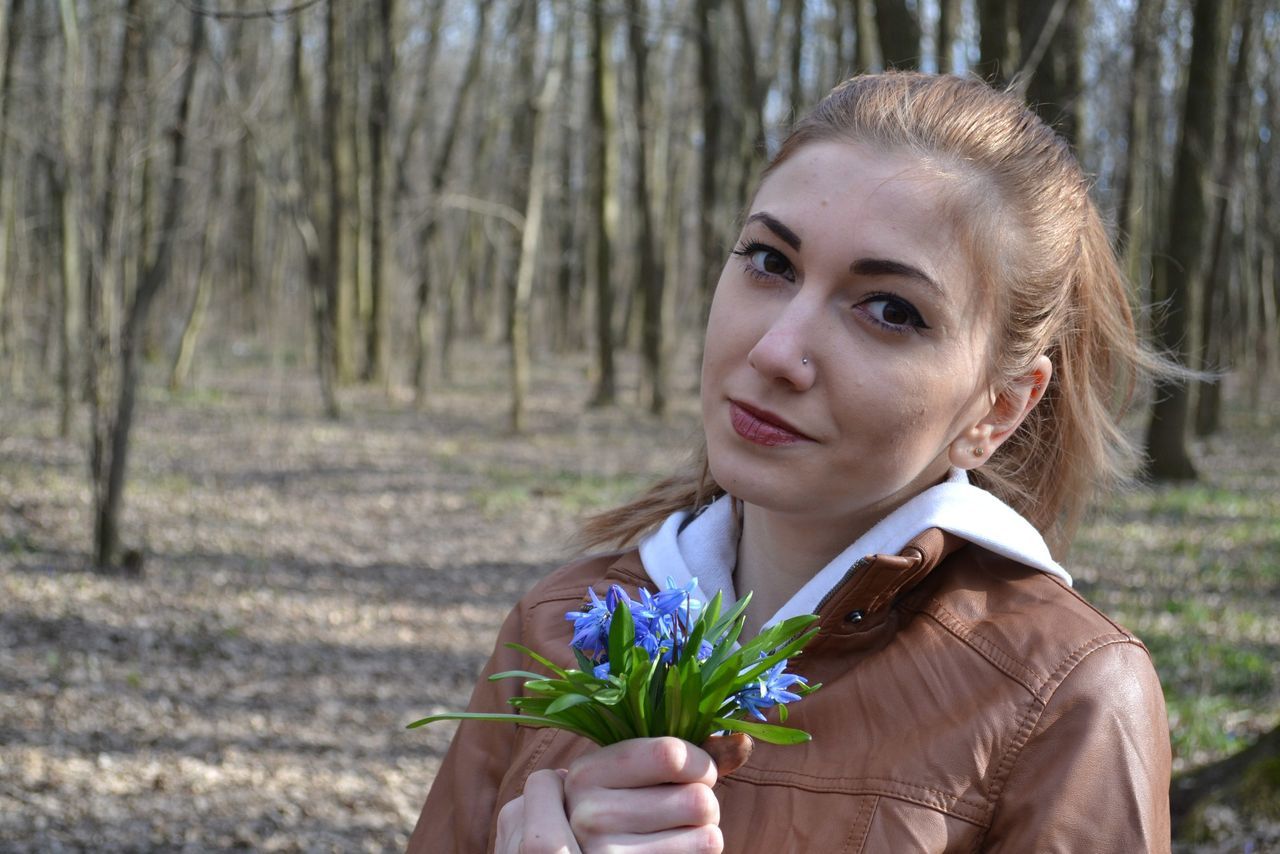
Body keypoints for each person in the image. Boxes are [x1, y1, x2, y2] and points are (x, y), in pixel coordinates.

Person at [408, 72, 1173, 853]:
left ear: (1000, 407)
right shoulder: (563, 625)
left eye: (890, 310)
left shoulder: (1059, 697)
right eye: (771, 262)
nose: (777, 351)